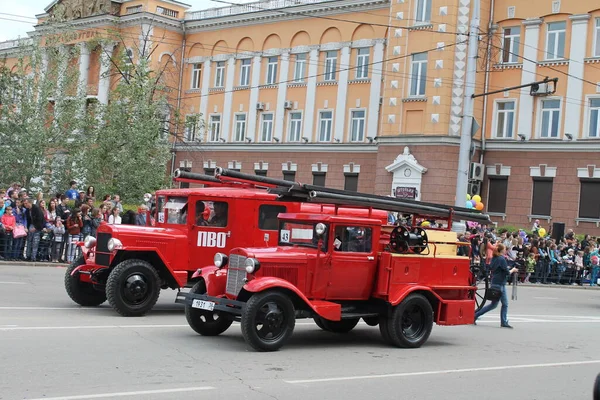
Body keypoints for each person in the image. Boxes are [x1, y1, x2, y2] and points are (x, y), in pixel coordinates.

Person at [474, 244, 519, 328]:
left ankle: (476, 315)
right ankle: (503, 321)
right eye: (505, 249)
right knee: (500, 304)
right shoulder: (502, 259)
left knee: (496, 304)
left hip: (496, 281)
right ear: (502, 250)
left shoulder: (495, 258)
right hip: (500, 282)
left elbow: (493, 267)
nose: (506, 250)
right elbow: (507, 272)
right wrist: (512, 269)